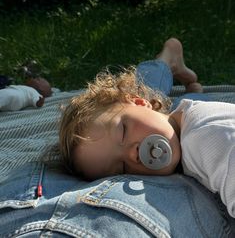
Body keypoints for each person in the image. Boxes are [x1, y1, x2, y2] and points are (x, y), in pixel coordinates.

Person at [59, 38, 235, 219]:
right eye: (121, 169)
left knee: (156, 94)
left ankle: (167, 61)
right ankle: (194, 93)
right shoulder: (188, 133)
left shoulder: (210, 137)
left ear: (139, 101)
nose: (132, 155)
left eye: (123, 131)